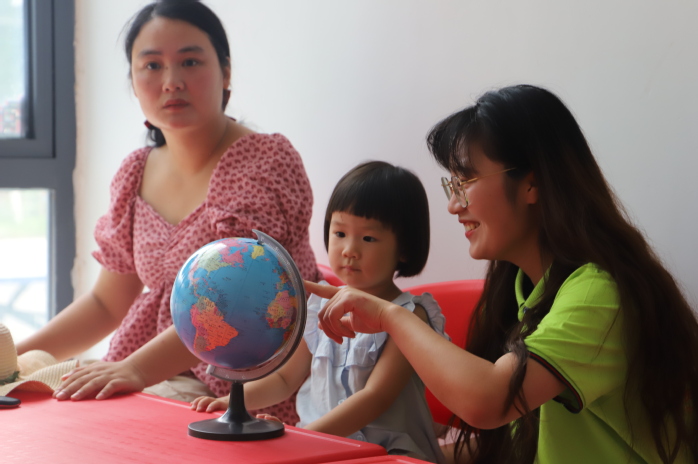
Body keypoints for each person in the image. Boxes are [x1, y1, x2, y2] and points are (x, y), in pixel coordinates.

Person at [307, 85, 698, 463]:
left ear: (532, 183)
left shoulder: (598, 293)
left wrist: (389, 315)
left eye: (465, 181)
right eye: (451, 185)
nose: (453, 205)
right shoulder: (523, 289)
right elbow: (516, 441)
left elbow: (489, 401)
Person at [17, 0, 319, 425]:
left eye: (190, 61)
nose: (171, 82)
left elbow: (234, 305)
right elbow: (106, 303)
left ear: (226, 72)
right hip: (152, 373)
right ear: (133, 80)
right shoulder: (135, 173)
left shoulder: (263, 163)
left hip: (242, 388)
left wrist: (135, 371)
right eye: (152, 65)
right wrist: (12, 358)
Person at [191, 161, 447, 462]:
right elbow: (285, 379)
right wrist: (233, 403)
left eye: (368, 238)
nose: (349, 250)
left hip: (390, 452)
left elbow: (376, 397)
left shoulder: (409, 316)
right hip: (323, 448)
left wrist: (304, 439)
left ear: (404, 248)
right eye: (339, 233)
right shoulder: (318, 306)